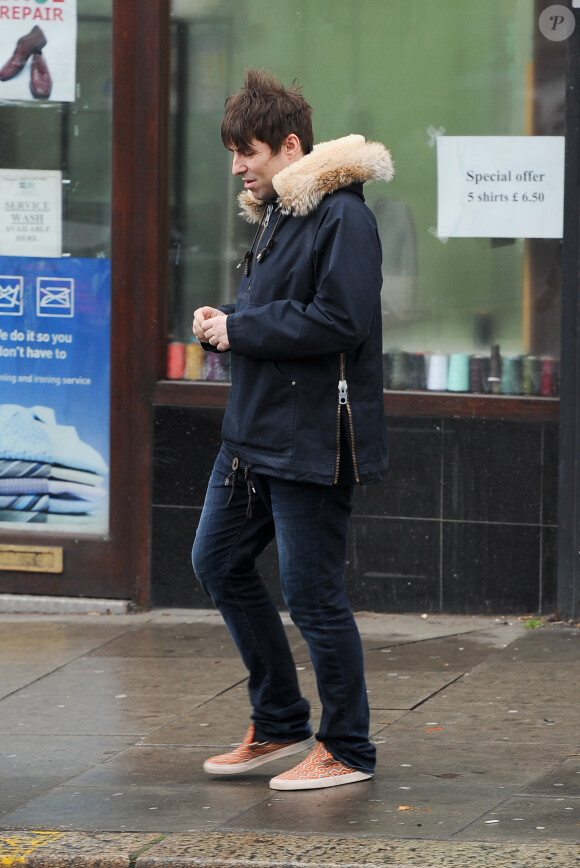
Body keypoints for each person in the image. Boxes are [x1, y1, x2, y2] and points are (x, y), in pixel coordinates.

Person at [191, 68, 394, 791]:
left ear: (288, 146)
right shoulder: (281, 211)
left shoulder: (343, 217)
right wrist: (232, 326)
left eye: (246, 153)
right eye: (232, 154)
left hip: (310, 439)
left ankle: (347, 748)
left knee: (313, 597)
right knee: (216, 561)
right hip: (253, 435)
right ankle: (278, 717)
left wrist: (236, 327)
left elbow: (343, 322)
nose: (237, 168)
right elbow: (285, 318)